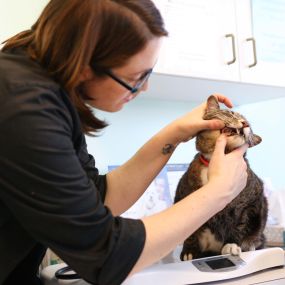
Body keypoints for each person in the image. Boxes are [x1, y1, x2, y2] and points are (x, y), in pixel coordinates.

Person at [0, 1, 248, 284]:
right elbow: (105, 256)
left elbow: (99, 198)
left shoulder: (45, 91)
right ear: (84, 64)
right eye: (136, 77)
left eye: (149, 72)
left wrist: (176, 133)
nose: (144, 88)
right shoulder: (24, 105)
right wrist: (218, 192)